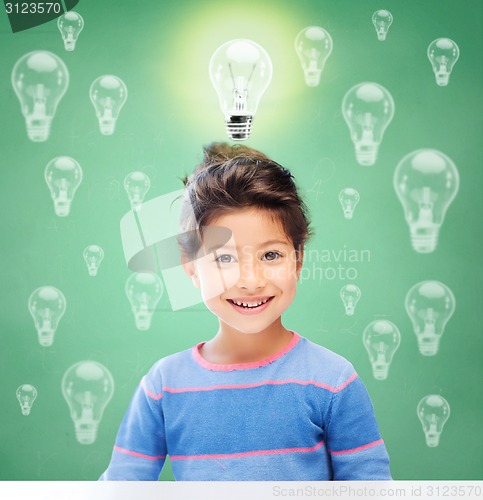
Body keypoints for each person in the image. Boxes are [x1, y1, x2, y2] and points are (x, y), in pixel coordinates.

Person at [100, 143, 392, 481]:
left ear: (298, 260)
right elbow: (122, 485)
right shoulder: (165, 386)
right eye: (224, 258)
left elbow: (370, 488)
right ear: (191, 268)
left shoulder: (333, 381)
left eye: (271, 256)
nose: (250, 281)